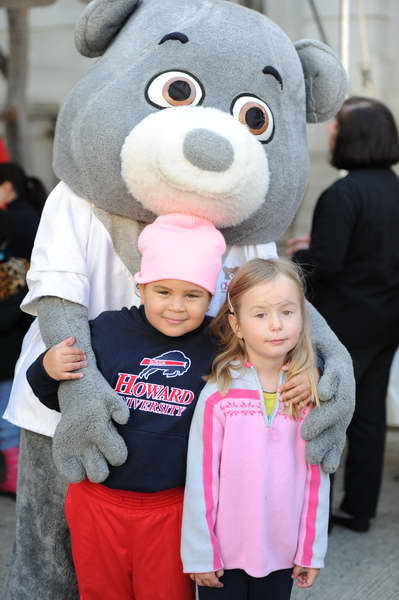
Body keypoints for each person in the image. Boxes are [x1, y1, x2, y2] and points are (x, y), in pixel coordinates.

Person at [25, 215, 317, 600]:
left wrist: (307, 372)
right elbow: (62, 397)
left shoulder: (218, 342)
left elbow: (272, 346)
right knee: (99, 591)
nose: (176, 307)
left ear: (211, 295)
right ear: (140, 286)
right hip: (97, 500)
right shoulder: (106, 330)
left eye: (192, 295)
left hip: (172, 507)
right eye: (163, 292)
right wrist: (48, 368)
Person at [181, 258, 330, 600]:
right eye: (260, 314)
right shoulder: (218, 395)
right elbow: (202, 480)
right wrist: (200, 552)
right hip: (222, 559)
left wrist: (311, 549)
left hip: (282, 556)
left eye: (287, 312)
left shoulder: (307, 395)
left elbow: (316, 479)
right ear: (236, 324)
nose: (276, 325)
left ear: (302, 317)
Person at [287, 96, 399, 532]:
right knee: (369, 415)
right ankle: (360, 510)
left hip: (345, 324)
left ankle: (319, 511)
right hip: (388, 319)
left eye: (334, 129)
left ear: (351, 138)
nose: (329, 135)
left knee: (325, 413)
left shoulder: (343, 193)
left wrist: (303, 255)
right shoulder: (394, 188)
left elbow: (327, 266)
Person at [0, 162, 45, 496]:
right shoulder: (33, 215)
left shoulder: (15, 222)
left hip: (11, 325)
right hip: (23, 325)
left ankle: (14, 477)